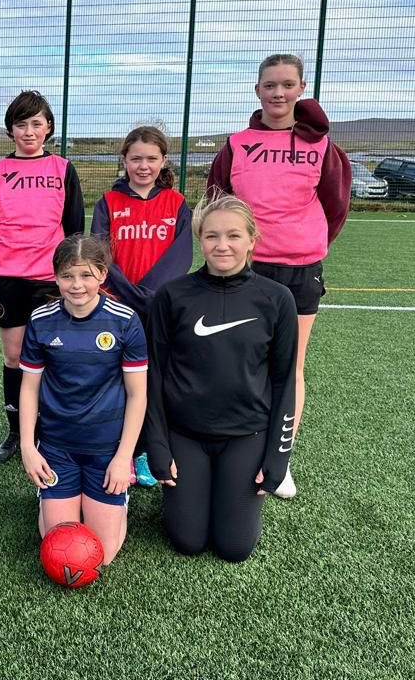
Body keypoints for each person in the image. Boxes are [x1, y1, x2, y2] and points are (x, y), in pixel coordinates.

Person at [207, 53, 351, 499]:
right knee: (237, 360)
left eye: (287, 85)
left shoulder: (322, 147)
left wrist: (305, 240)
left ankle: (278, 460)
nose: (278, 93)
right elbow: (216, 200)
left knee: (289, 367)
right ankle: (228, 448)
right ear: (257, 90)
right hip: (248, 269)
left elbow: (335, 205)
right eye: (270, 85)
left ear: (301, 88)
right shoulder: (237, 144)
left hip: (300, 270)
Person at [144, 195, 298, 563]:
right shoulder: (172, 296)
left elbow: (284, 381)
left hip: (247, 435)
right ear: (200, 240)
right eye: (212, 236)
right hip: (186, 435)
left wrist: (278, 456)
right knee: (188, 541)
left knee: (234, 548)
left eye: (233, 235)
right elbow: (153, 376)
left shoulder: (276, 299)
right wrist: (157, 446)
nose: (222, 245)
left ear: (251, 239)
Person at [0, 90, 85, 463]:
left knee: (53, 356)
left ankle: (50, 433)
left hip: (50, 281)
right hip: (7, 279)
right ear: (11, 130)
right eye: (21, 124)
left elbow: (75, 229)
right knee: (15, 356)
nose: (29, 131)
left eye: (36, 123)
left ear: (48, 127)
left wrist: (74, 277)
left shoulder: (63, 170)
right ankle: (17, 434)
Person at [18, 234, 147, 565]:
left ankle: (119, 501)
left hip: (105, 448)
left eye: (86, 275)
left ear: (103, 275)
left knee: (100, 557)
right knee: (58, 545)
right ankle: (49, 498)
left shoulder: (125, 320)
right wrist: (29, 448)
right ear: (56, 276)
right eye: (67, 276)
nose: (77, 285)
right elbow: (30, 388)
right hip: (58, 446)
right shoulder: (41, 320)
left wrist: (123, 458)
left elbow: (137, 394)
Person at [90, 126, 192, 487]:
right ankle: (121, 450)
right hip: (118, 305)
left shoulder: (176, 203)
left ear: (163, 160)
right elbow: (100, 254)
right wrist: (130, 293)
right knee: (117, 377)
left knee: (155, 379)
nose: (143, 165)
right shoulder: (108, 202)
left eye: (151, 158)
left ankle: (150, 451)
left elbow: (181, 256)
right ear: (124, 160)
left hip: (160, 307)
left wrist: (151, 294)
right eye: (136, 158)